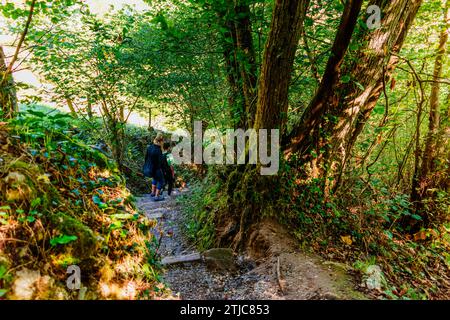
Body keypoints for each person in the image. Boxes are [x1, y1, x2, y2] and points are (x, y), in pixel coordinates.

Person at [143, 133, 165, 201]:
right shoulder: (158, 150)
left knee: (155, 178)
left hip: (149, 167)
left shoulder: (149, 147)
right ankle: (156, 196)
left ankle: (152, 193)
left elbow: (146, 157)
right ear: (161, 141)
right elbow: (160, 161)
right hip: (156, 168)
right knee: (161, 180)